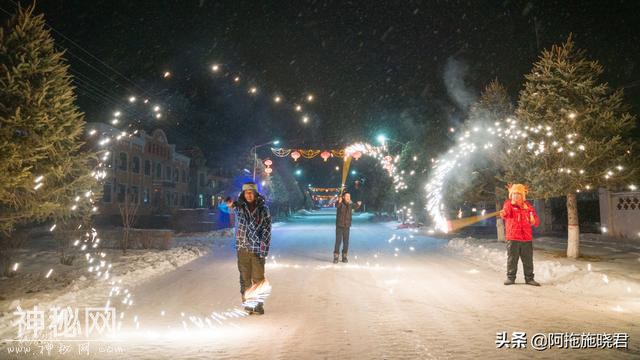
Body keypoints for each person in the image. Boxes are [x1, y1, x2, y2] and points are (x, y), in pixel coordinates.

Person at [226, 182, 272, 314]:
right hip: (242, 248)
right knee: (245, 278)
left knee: (258, 278)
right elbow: (229, 208)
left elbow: (267, 231)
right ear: (243, 194)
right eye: (246, 192)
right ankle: (249, 304)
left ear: (256, 193)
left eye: (251, 192)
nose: (249, 195)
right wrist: (229, 204)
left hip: (257, 249)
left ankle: (258, 305)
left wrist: (264, 248)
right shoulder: (239, 208)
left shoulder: (264, 209)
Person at [500, 183, 540, 286]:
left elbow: (536, 222)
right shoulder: (509, 204)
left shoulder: (529, 207)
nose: (515, 196)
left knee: (528, 260)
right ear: (511, 195)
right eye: (513, 194)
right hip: (513, 237)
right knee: (512, 259)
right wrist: (504, 213)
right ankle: (511, 278)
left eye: (518, 194)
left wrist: (533, 220)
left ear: (523, 195)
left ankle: (529, 279)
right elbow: (506, 213)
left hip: (526, 238)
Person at [334, 192, 361, 264]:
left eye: (349, 196)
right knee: (338, 242)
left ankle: (344, 256)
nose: (348, 197)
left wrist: (358, 204)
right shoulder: (340, 203)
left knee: (346, 242)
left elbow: (355, 206)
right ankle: (336, 256)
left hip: (347, 226)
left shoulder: (350, 204)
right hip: (339, 226)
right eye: (347, 196)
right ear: (343, 197)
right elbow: (336, 205)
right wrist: (339, 201)